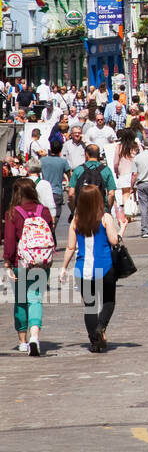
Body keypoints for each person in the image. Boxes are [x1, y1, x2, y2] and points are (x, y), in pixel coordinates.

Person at [57, 186, 121, 353]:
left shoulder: (76, 220)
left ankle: (94, 342)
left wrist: (63, 267)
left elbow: (71, 247)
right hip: (105, 267)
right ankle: (101, 327)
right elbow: (114, 241)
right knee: (108, 301)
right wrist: (121, 230)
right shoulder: (105, 217)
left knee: (90, 306)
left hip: (83, 269)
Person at [3, 177, 56, 355]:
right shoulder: (44, 211)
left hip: (21, 262)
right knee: (35, 298)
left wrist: (7, 261)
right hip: (41, 264)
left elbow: (10, 241)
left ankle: (23, 341)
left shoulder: (13, 212)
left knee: (20, 300)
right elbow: (51, 237)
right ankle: (35, 335)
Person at [68, 144, 116, 213]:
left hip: (82, 211)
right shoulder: (106, 170)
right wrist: (108, 211)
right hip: (100, 210)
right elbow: (111, 194)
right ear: (98, 155)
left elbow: (71, 194)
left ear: (86, 154)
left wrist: (73, 211)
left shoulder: (78, 170)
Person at [40, 139, 71, 233]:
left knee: (43, 217)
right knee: (55, 218)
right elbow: (69, 175)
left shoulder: (42, 160)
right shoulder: (63, 162)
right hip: (57, 192)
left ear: (50, 149)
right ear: (60, 150)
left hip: (43, 192)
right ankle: (51, 235)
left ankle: (48, 236)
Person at [109, 130, 139, 229]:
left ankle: (128, 215)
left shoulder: (119, 146)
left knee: (125, 194)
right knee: (133, 193)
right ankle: (132, 212)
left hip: (124, 172)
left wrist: (116, 171)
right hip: (135, 172)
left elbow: (116, 162)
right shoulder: (136, 146)